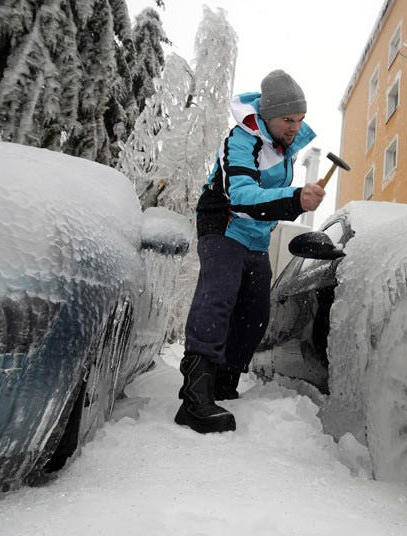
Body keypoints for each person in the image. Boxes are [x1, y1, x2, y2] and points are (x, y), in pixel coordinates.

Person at [175, 69, 325, 434]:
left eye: (300, 120)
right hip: (224, 225)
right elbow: (240, 197)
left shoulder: (284, 149)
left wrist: (295, 200)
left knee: (255, 312)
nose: (294, 127)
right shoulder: (241, 140)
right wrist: (295, 198)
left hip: (255, 237)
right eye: (287, 119)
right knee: (219, 296)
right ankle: (194, 396)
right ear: (267, 115)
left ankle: (224, 383)